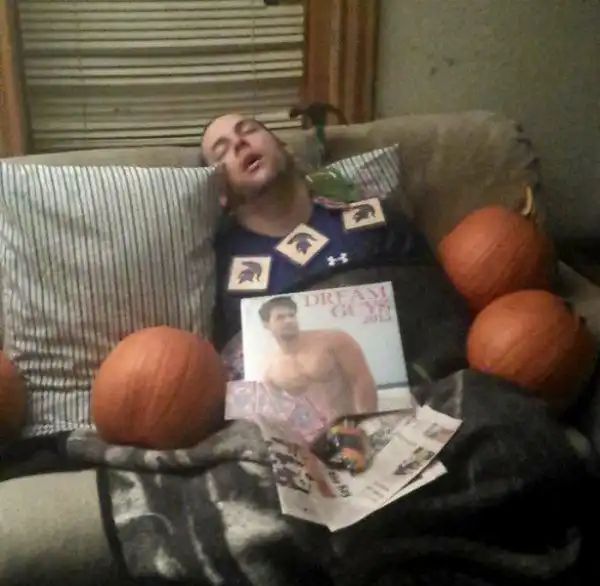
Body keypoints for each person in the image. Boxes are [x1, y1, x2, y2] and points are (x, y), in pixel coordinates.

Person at [201, 113, 431, 351]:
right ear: (220, 192)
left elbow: (434, 309)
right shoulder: (217, 268)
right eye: (222, 151)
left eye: (249, 130)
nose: (239, 143)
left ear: (286, 148)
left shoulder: (370, 217)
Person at [258, 295, 378, 423]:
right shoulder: (269, 367)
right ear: (266, 324)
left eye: (291, 315)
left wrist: (366, 421)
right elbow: (275, 408)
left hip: (347, 422)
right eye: (280, 317)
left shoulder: (333, 340)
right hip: (312, 430)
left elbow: (361, 380)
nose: (288, 320)